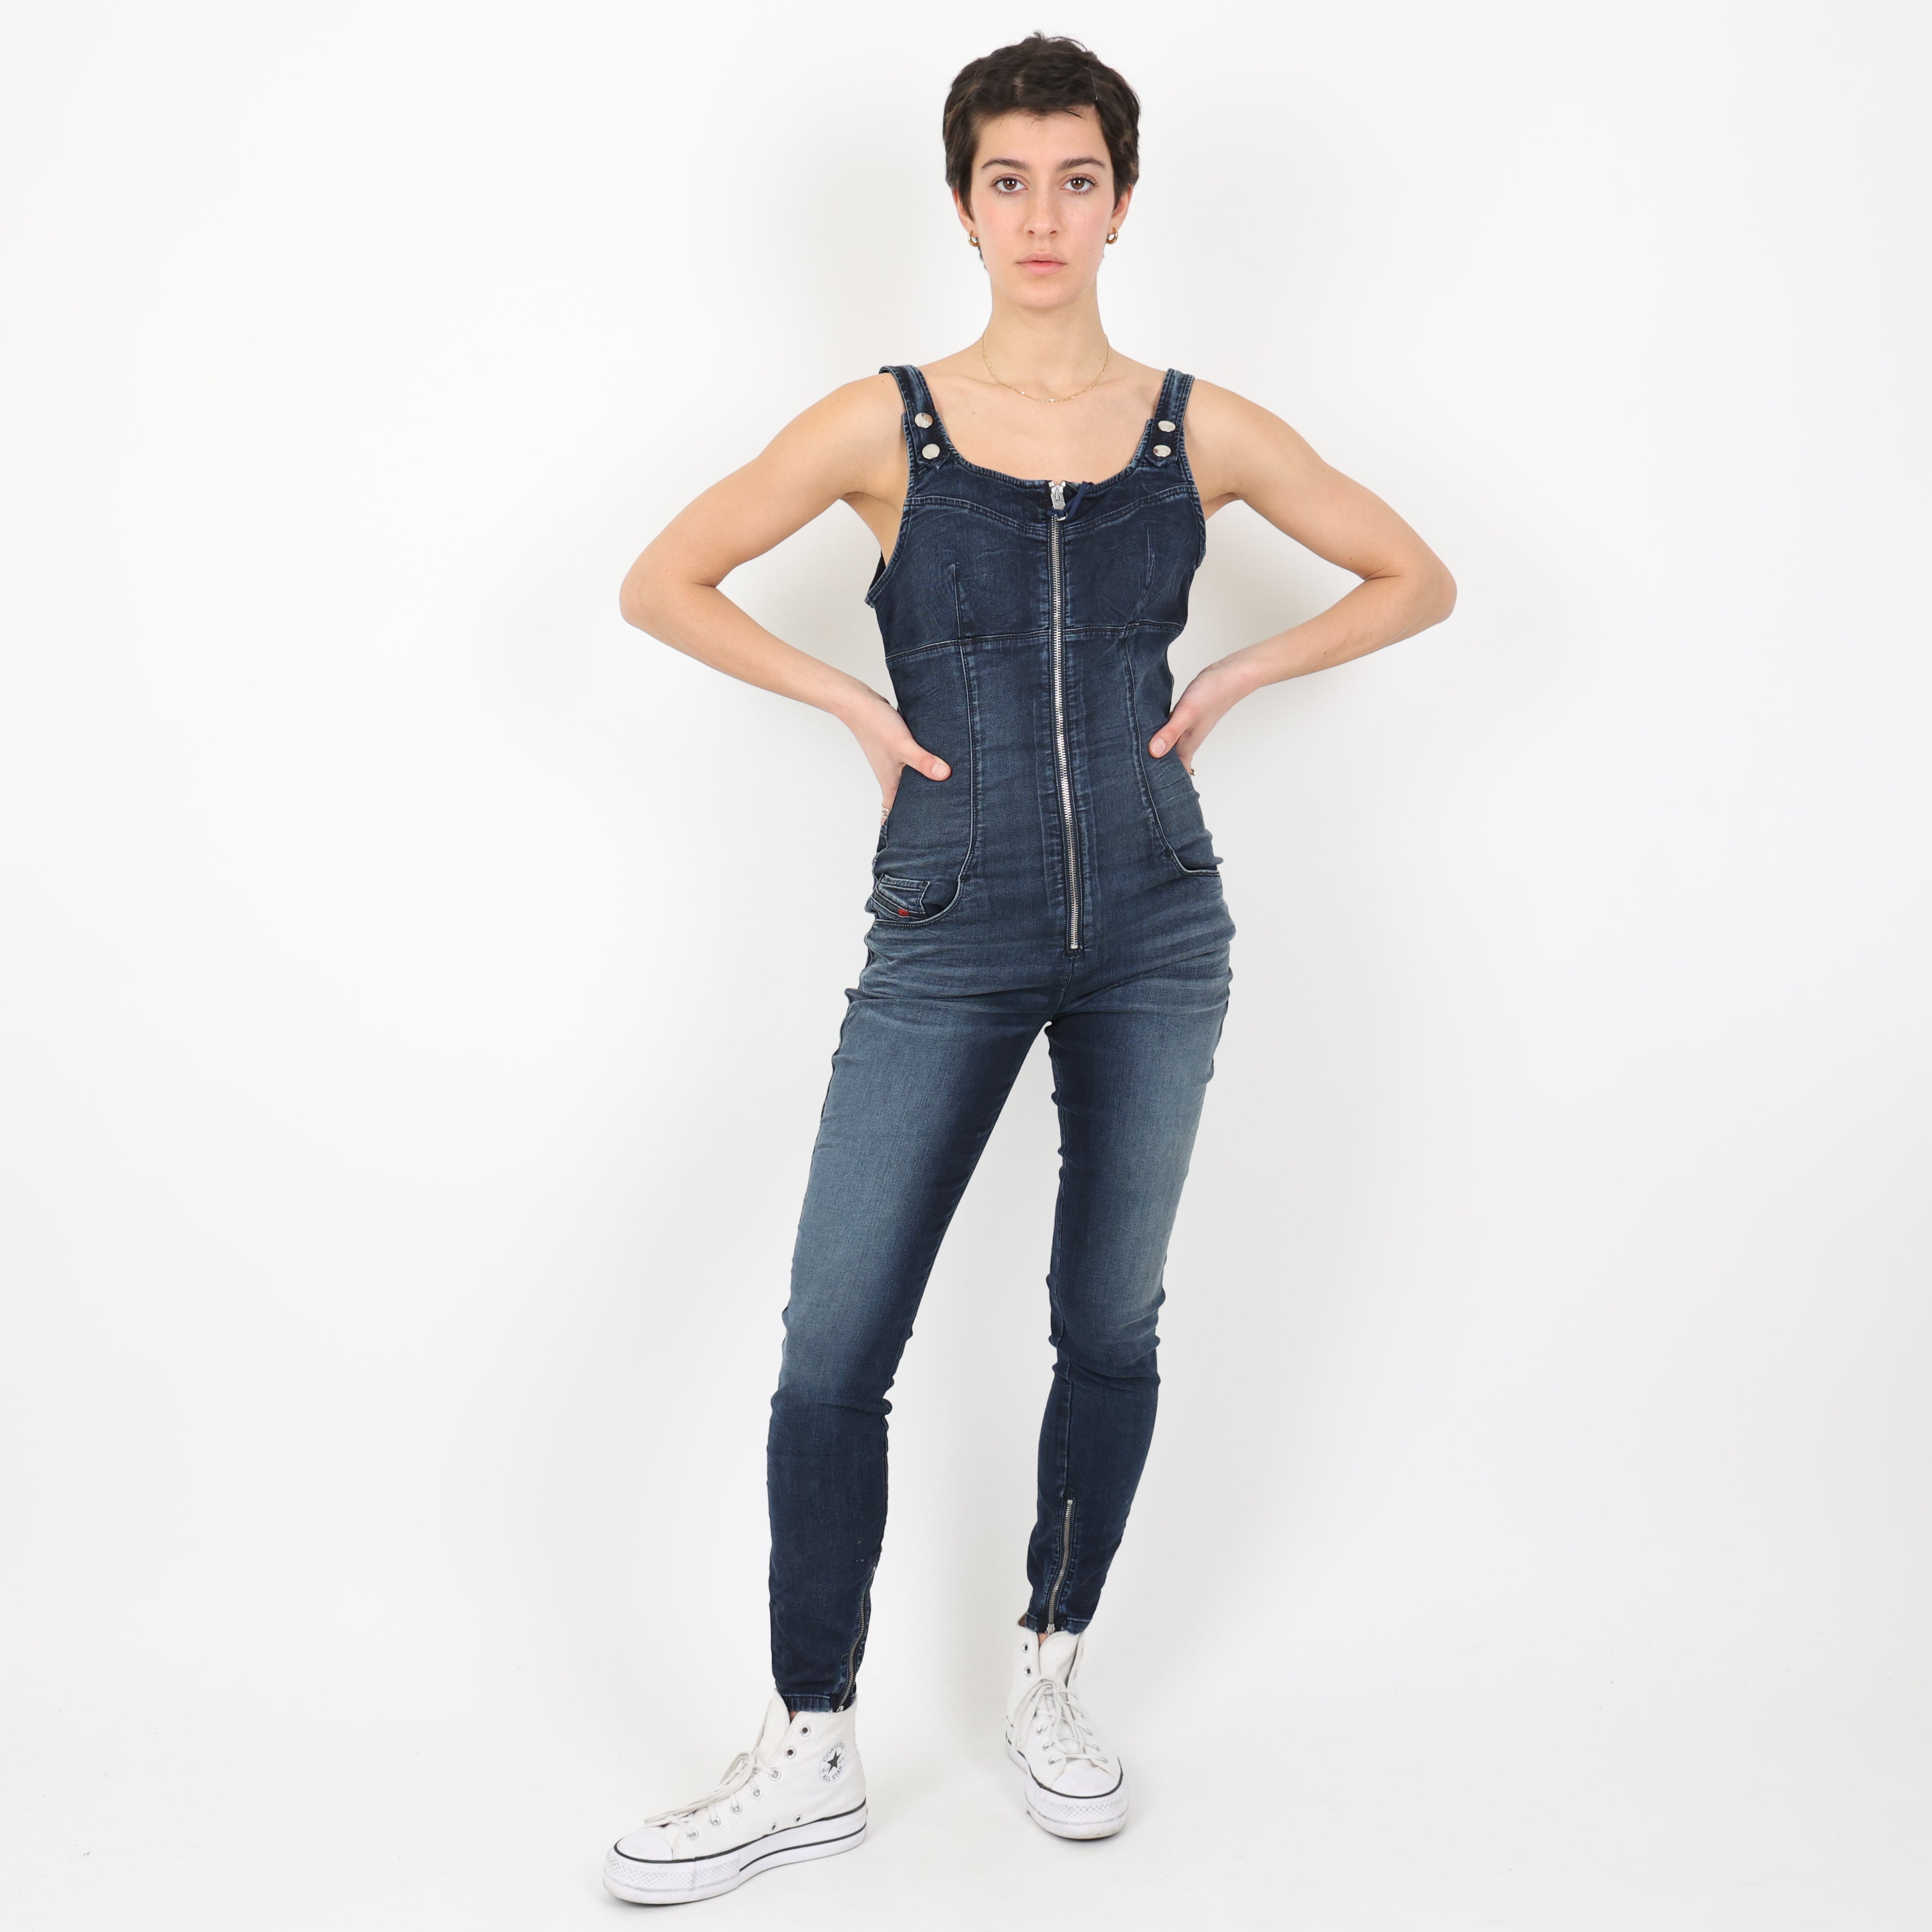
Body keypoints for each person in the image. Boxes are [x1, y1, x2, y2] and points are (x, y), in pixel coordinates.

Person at [601, 33, 1455, 1905]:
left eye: (1078, 180)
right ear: (964, 204)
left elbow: (1417, 575)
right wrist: (849, 699)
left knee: (1110, 1320)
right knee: (837, 1340)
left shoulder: (1199, 428)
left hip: (1161, 924)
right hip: (947, 919)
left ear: (1123, 203)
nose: (1043, 216)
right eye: (1010, 182)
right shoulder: (883, 423)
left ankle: (1051, 1678)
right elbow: (662, 580)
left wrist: (1238, 674)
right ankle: (810, 1742)